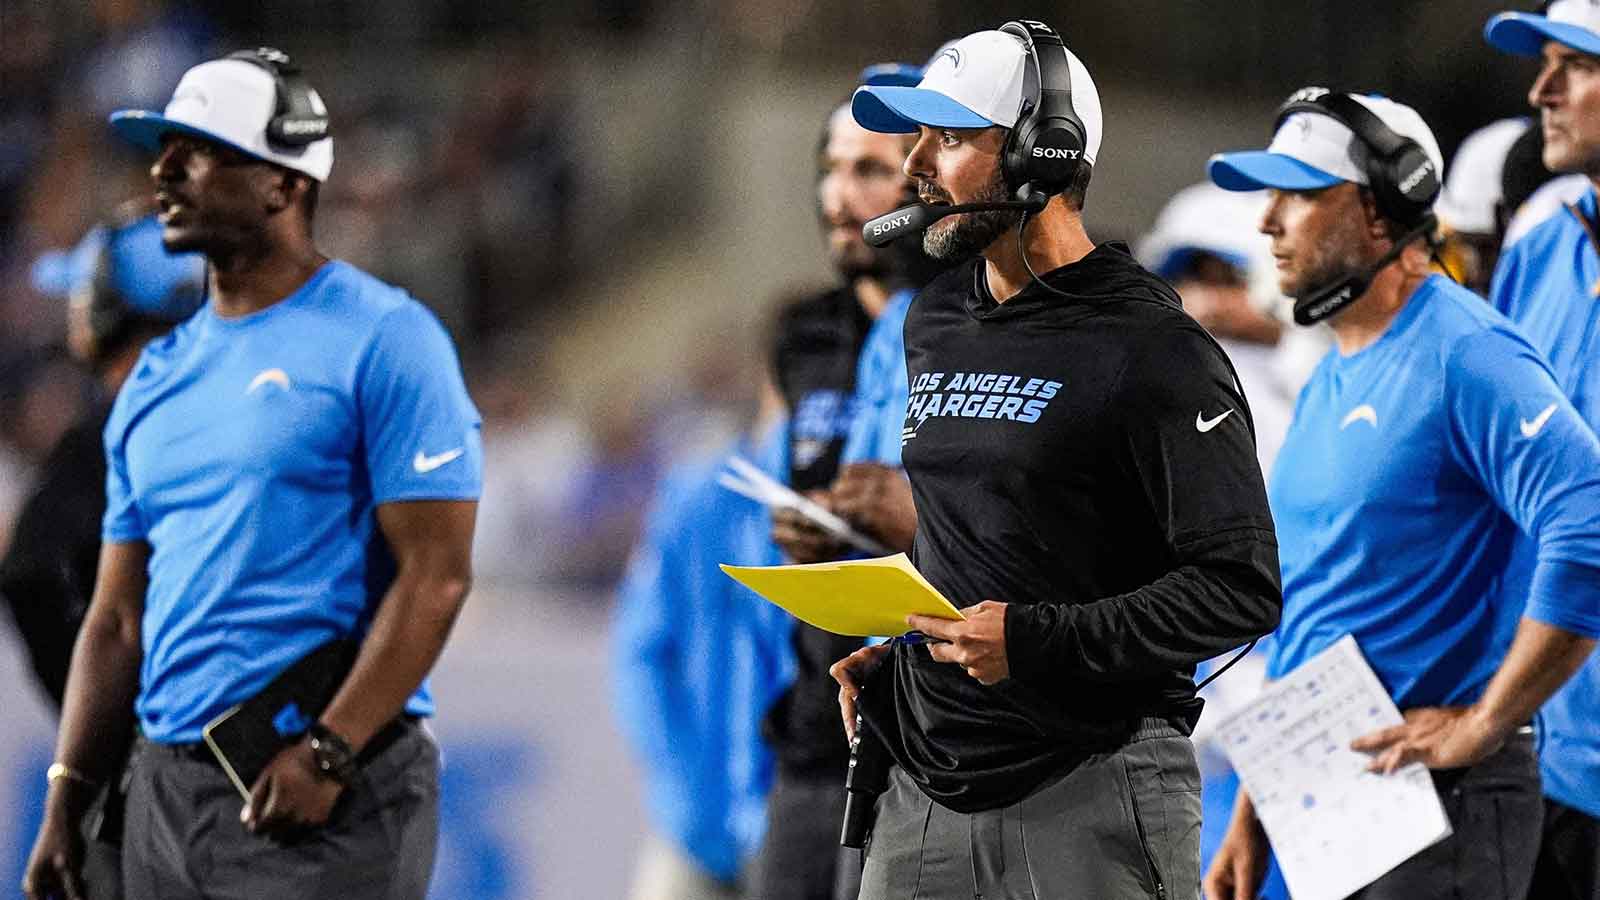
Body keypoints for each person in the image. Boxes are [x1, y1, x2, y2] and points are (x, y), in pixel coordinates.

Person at [832, 22, 1282, 899]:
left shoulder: (1153, 346)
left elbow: (1241, 586)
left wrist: (1040, 641)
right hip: (921, 786)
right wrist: (907, 648)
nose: (914, 164)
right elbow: (988, 536)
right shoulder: (935, 322)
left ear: (1046, 153)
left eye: (950, 137)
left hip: (1092, 783)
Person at [21, 47, 482, 900]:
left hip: (321, 788)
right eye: (165, 150)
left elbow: (436, 576)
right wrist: (69, 796)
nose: (164, 171)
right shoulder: (156, 377)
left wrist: (331, 750)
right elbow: (119, 621)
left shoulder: (387, 337)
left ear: (283, 183)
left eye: (197, 152)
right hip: (165, 790)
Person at [1203, 87, 1600, 900]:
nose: (1267, 221)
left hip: (1440, 802)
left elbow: (1589, 518)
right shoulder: (1330, 372)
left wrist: (1486, 721)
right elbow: (1322, 603)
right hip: (1331, 793)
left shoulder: (1468, 351)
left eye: (1302, 195)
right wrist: (1254, 803)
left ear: (1386, 208)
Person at [752, 63, 931, 900]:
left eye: (867, 169)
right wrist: (810, 528)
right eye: (830, 166)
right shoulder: (803, 332)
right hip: (817, 728)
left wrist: (907, 521)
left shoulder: (973, 324)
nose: (839, 194)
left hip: (930, 726)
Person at [3, 207, 204, 900]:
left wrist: (98, 723)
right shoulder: (257, 428)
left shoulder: (112, 431)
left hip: (153, 796)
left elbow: (30, 574)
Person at [1485, 6, 1600, 898]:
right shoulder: (1542, 248)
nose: (1541, 91)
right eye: (1544, 65)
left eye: (1576, 66)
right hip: (1540, 742)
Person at [611, 405, 790, 900]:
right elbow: (640, 656)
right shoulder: (698, 497)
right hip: (697, 828)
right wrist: (685, 798)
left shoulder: (844, 499)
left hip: (796, 822)